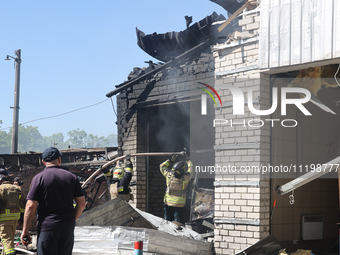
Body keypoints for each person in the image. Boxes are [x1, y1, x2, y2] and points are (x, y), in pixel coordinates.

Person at [20, 147, 86, 255]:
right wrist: (71, 219)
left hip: (47, 227)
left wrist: (25, 230)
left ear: (43, 162)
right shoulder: (72, 177)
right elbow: (82, 204)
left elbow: (30, 206)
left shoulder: (39, 178)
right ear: (59, 159)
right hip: (67, 228)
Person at [160, 154, 193, 226]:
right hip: (179, 204)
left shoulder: (169, 175)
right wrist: (188, 160)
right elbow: (191, 169)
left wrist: (171, 160)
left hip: (168, 203)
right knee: (177, 224)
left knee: (167, 223)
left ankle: (167, 236)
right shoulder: (186, 177)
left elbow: (162, 166)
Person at [0, 174, 25, 255]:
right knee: (10, 239)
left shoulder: (0, 188)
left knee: (6, 239)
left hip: (3, 218)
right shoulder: (17, 188)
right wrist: (22, 216)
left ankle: (11, 253)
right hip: (15, 217)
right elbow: (23, 203)